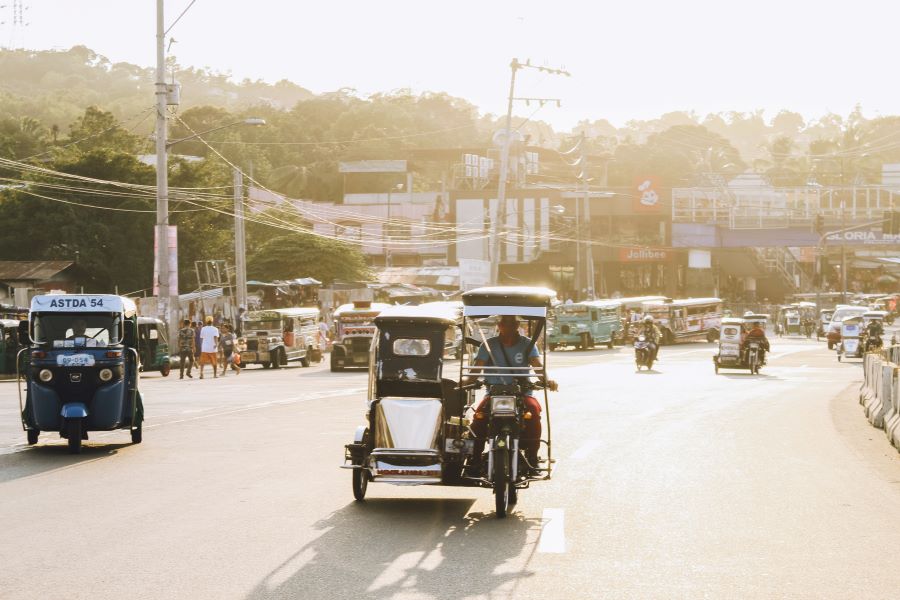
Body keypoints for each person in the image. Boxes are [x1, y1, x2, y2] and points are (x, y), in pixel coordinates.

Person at [468, 315, 558, 475]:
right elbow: (477, 369)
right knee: (479, 418)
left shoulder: (527, 344)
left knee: (533, 412)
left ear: (517, 325)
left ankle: (532, 457)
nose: (508, 328)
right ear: (499, 326)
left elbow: (537, 366)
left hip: (521, 393)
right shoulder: (488, 345)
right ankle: (474, 460)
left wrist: (547, 380)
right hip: (494, 393)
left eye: (511, 324)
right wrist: (466, 382)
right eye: (504, 324)